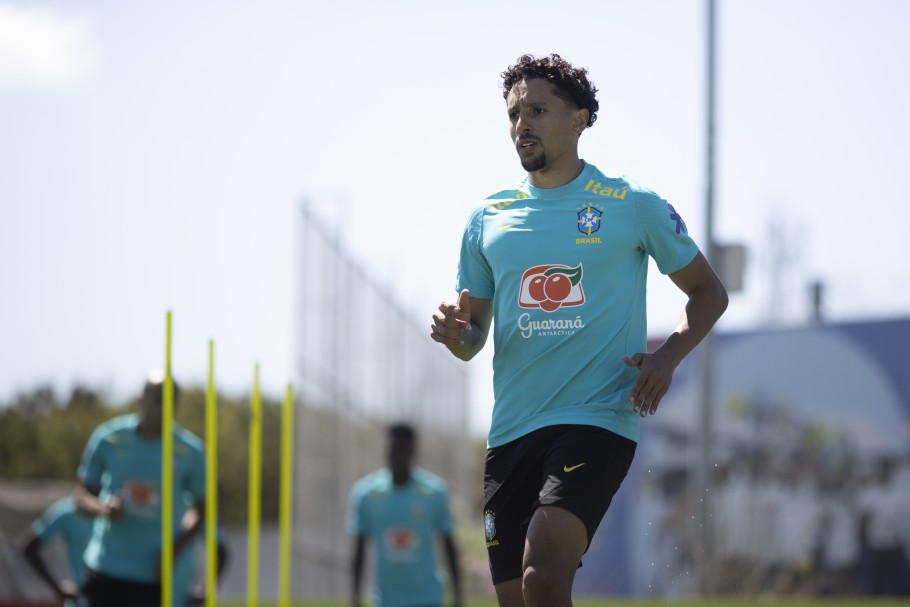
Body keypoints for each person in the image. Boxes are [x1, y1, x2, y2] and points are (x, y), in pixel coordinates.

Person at [430, 53, 728, 607]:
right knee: (516, 597)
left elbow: (709, 293)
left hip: (596, 418)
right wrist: (457, 334)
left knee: (543, 576)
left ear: (579, 119)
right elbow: (473, 340)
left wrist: (667, 357)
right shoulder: (486, 219)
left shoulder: (632, 205)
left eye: (538, 111)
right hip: (511, 430)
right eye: (514, 114)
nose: (522, 125)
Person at [72, 370, 207, 607]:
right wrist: (104, 509)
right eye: (156, 398)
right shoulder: (110, 438)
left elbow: (201, 509)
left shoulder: (190, 451)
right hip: (105, 566)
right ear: (141, 399)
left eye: (168, 400)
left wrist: (174, 550)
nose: (161, 406)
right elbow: (81, 497)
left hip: (150, 575)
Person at [347, 423, 463, 607]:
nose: (398, 457)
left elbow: (447, 543)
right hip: (386, 599)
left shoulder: (433, 492)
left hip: (427, 596)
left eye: (403, 450)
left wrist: (458, 594)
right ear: (385, 450)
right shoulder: (367, 494)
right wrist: (355, 596)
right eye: (394, 450)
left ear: (413, 452)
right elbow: (359, 548)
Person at [19, 495, 94, 606]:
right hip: (82, 599)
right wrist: (57, 587)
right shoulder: (68, 511)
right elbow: (30, 547)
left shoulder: (117, 513)